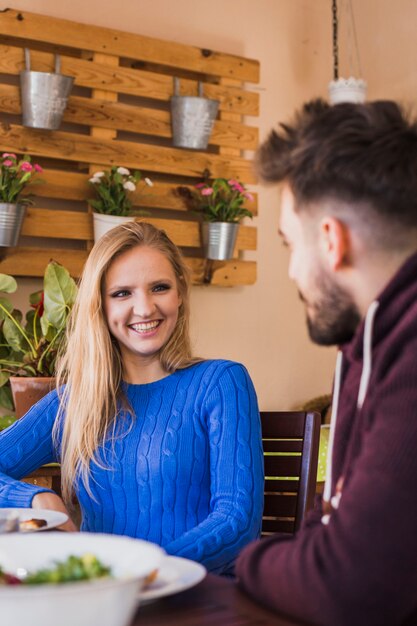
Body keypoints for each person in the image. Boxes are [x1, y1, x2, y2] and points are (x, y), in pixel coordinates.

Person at [236, 99, 417, 625]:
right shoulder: (371, 346)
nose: (292, 271)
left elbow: (347, 585)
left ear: (331, 241)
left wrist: (252, 560)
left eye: (290, 245)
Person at [0, 221, 264, 575]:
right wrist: (34, 498)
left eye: (159, 287)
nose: (144, 308)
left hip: (193, 599)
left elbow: (237, 521)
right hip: (104, 600)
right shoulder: (75, 402)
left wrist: (141, 571)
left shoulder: (220, 382)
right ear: (101, 306)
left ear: (180, 293)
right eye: (122, 293)